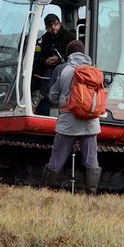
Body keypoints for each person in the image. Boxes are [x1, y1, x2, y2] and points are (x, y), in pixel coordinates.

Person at [42, 39, 102, 194]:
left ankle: (46, 190)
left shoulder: (63, 70)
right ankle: (92, 193)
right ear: (83, 53)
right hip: (90, 123)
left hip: (68, 123)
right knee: (91, 160)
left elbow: (53, 96)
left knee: (57, 158)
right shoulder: (94, 71)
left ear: (68, 54)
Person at [32, 13, 75, 115]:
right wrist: (45, 60)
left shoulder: (70, 37)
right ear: (46, 27)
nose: (53, 27)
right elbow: (39, 57)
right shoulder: (44, 39)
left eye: (55, 24)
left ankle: (38, 97)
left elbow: (75, 55)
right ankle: (32, 95)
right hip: (47, 68)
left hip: (66, 68)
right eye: (49, 25)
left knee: (50, 75)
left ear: (59, 23)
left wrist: (59, 59)